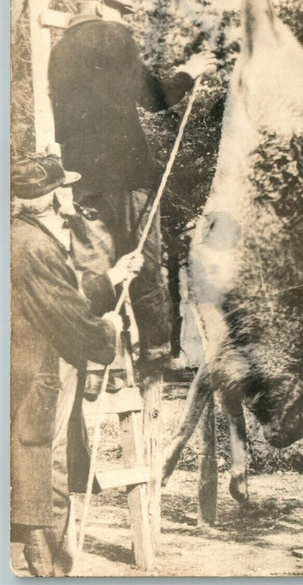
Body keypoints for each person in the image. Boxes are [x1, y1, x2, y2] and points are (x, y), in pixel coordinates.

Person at [48, 0, 217, 370]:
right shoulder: (112, 35)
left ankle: (95, 359)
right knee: (143, 264)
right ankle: (156, 355)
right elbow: (153, 97)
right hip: (126, 175)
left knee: (95, 270)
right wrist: (189, 72)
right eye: (122, 12)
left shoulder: (57, 50)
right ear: (101, 6)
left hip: (79, 179)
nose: (125, 21)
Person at [11, 154, 144, 576]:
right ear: (52, 197)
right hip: (42, 372)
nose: (71, 193)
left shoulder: (22, 235)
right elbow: (66, 313)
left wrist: (112, 277)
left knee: (35, 459)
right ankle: (50, 568)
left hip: (28, 368)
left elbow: (57, 293)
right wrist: (108, 329)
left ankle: (46, 561)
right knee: (43, 460)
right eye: (64, 187)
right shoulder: (34, 245)